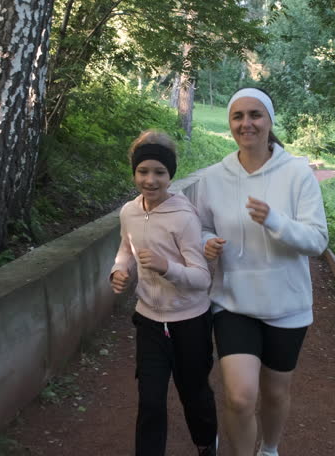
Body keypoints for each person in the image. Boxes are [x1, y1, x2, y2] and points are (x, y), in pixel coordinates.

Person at [191, 88, 329, 456]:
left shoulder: (297, 174)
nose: (246, 123)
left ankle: (268, 449)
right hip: (233, 302)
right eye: (238, 116)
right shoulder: (214, 177)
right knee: (239, 397)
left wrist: (274, 220)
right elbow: (202, 226)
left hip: (288, 305)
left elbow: (317, 240)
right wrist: (206, 242)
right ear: (230, 123)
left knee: (275, 392)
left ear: (269, 121)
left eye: (255, 114)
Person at [110, 130, 219, 456]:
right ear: (134, 172)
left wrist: (165, 267)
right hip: (149, 320)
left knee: (194, 393)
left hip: (191, 320)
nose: (150, 180)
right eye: (143, 171)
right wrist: (118, 270)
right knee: (151, 401)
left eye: (159, 172)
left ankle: (206, 443)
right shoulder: (128, 212)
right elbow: (126, 248)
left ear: (170, 174)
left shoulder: (184, 217)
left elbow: (201, 277)